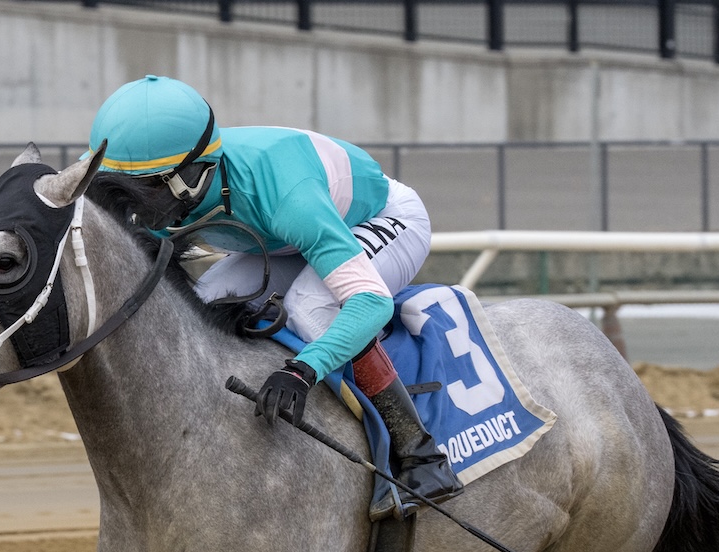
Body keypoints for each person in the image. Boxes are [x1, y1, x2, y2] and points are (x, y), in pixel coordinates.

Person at [86, 75, 462, 518]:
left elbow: (370, 302)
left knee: (310, 307)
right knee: (206, 301)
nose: (132, 202)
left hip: (379, 216)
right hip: (277, 238)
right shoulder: (152, 170)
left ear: (193, 174)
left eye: (146, 188)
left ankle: (418, 454)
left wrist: (303, 371)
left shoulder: (288, 196)